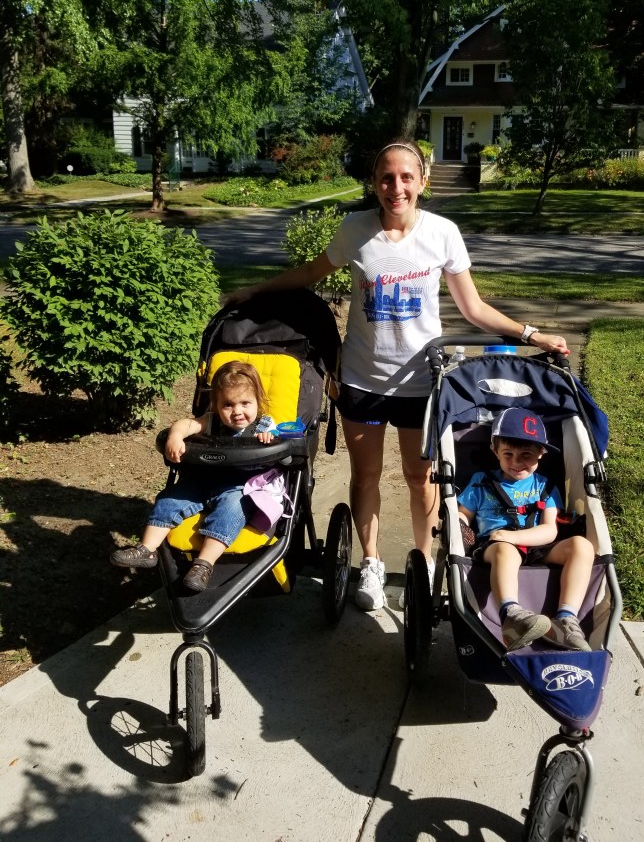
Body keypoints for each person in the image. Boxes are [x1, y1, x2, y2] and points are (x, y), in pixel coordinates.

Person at [227, 139, 569, 612]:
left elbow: (473, 308)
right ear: (374, 183)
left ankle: (422, 563)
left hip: (420, 383)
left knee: (420, 476)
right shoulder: (355, 229)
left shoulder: (443, 233)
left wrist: (531, 334)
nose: (396, 187)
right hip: (362, 380)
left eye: (407, 177)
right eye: (386, 178)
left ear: (422, 181)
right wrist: (255, 291)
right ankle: (370, 562)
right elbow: (310, 273)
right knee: (365, 475)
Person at [110, 361, 277, 592]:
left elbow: (277, 442)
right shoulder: (212, 421)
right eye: (228, 405)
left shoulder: (264, 426)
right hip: (202, 482)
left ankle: (203, 565)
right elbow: (186, 424)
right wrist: (175, 436)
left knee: (232, 510)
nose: (237, 411)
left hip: (239, 488)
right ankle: (147, 549)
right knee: (170, 498)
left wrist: (269, 440)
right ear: (217, 405)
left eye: (245, 403)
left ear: (258, 400)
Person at [457, 408, 594, 651]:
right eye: (508, 454)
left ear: (541, 452)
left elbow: (550, 530)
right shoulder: (481, 482)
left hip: (536, 545)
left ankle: (566, 619)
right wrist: (458, 526)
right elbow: (463, 515)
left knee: (581, 546)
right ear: (495, 451)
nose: (516, 463)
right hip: (494, 546)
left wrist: (512, 536)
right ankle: (512, 616)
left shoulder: (545, 486)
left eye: (526, 455)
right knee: (506, 550)